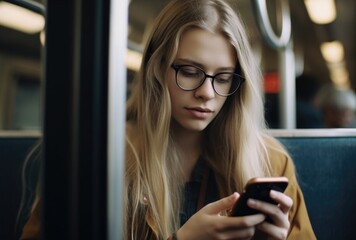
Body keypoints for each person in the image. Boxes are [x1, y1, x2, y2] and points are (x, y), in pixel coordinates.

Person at [20, 0, 316, 239]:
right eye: (189, 72)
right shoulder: (98, 157)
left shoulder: (271, 161)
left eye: (224, 78)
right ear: (157, 68)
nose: (206, 93)